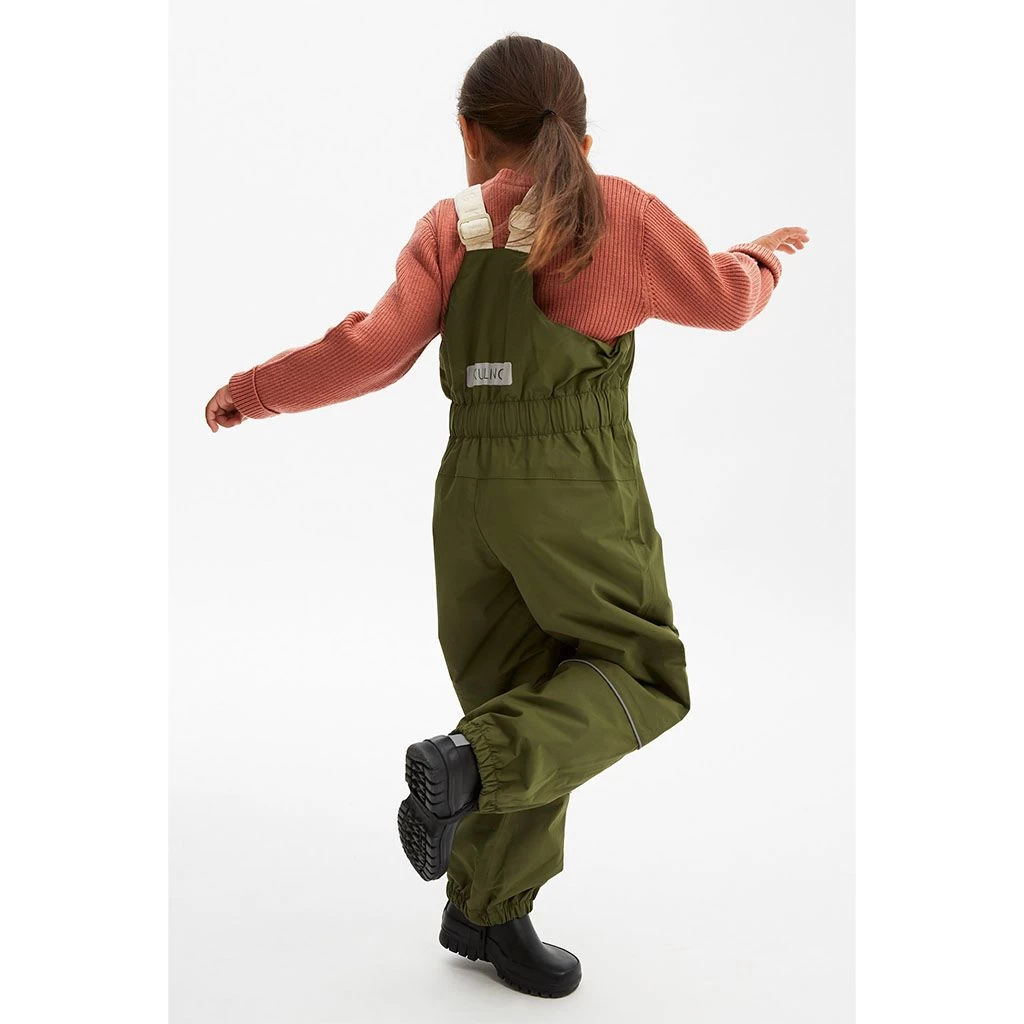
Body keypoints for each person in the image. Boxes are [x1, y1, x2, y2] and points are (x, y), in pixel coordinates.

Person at [205, 33, 809, 999]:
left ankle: (486, 912)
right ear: (580, 133)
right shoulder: (617, 215)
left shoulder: (451, 227)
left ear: (469, 134)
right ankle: (470, 765)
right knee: (642, 674)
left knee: (523, 693)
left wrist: (256, 390)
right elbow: (726, 302)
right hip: (570, 488)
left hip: (469, 496)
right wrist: (760, 258)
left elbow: (371, 350)